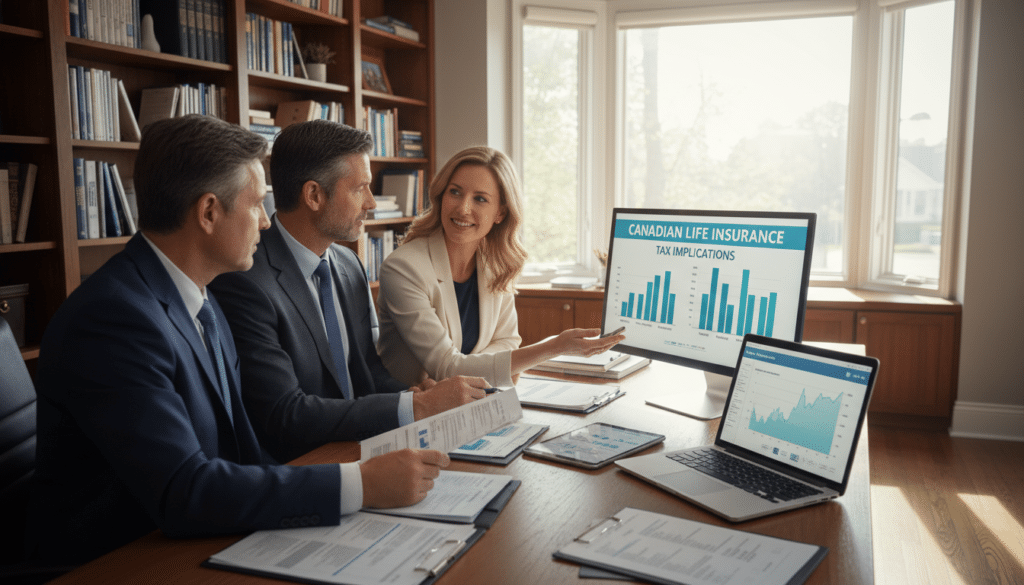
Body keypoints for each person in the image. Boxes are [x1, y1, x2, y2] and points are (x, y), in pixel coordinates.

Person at [27, 115, 449, 566]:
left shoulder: (201, 297)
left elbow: (245, 449)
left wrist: (345, 493)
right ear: (209, 212)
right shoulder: (114, 319)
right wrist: (360, 484)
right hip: (123, 559)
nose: (267, 224)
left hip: (204, 536)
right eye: (256, 205)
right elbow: (183, 491)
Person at [208, 120, 489, 464]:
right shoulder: (245, 278)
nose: (371, 203)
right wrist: (413, 407)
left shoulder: (347, 263)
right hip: (304, 466)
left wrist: (414, 396)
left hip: (363, 446)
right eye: (360, 189)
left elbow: (366, 371)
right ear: (314, 195)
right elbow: (285, 414)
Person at [376, 146, 624, 388]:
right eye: (455, 192)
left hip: (467, 405)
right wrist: (554, 347)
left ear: (500, 213)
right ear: (441, 196)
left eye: (480, 199)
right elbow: (448, 368)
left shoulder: (495, 264)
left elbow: (507, 342)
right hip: (408, 410)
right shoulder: (404, 268)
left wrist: (477, 370)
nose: (463, 208)